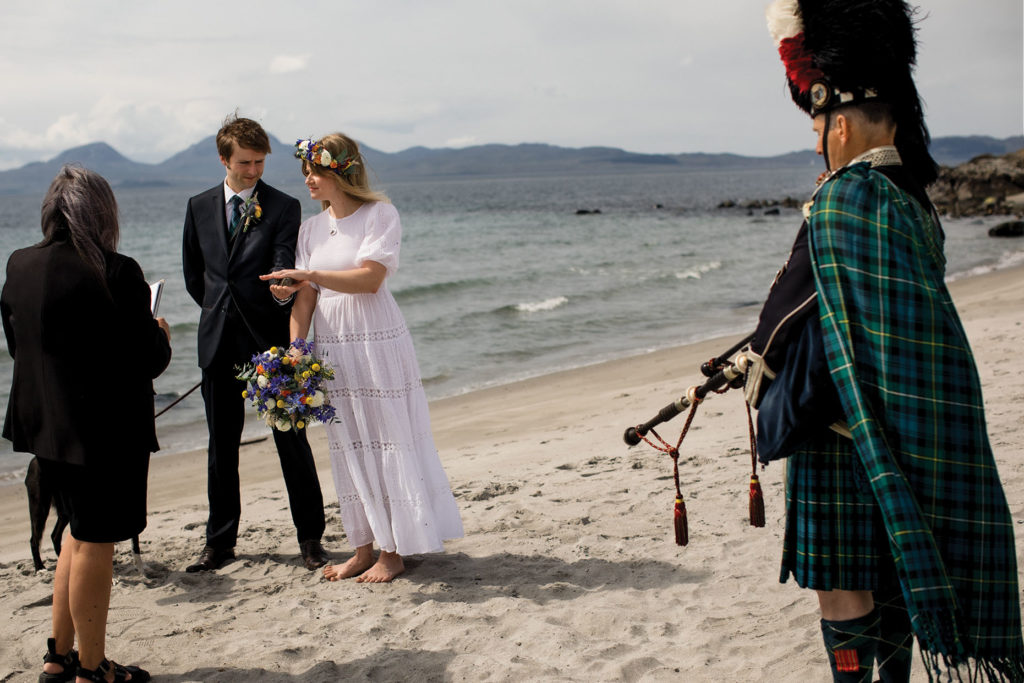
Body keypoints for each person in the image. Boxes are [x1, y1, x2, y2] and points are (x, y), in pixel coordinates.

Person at [744, 1, 1024, 681]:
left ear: (839, 125)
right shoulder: (911, 200)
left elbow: (797, 313)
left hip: (838, 430)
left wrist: (754, 366)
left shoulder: (847, 200)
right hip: (898, 428)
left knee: (842, 588)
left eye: (817, 129)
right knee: (890, 579)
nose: (816, 144)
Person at [261, 133, 464, 583]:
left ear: (341, 172)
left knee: (386, 434)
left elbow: (370, 279)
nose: (308, 179)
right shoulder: (311, 228)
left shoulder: (380, 214)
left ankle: (394, 552)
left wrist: (309, 273)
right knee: (348, 441)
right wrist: (297, 349)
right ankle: (363, 547)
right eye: (305, 172)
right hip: (334, 343)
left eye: (315, 171)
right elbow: (305, 298)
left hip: (375, 338)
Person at [2, 165, 171, 683]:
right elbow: (148, 358)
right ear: (101, 214)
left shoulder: (19, 264)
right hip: (105, 432)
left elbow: (20, 347)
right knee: (96, 542)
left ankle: (58, 656)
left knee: (74, 534)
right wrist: (160, 331)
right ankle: (93, 670)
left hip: (45, 426)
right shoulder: (116, 271)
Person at [182, 114, 329, 572]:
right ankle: (219, 544)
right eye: (245, 162)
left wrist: (283, 286)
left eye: (260, 162)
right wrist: (217, 314)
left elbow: (285, 258)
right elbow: (196, 276)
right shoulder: (198, 205)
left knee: (292, 443)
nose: (253, 171)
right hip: (217, 345)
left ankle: (310, 539)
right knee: (220, 447)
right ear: (224, 159)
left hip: (269, 345)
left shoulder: (284, 207)